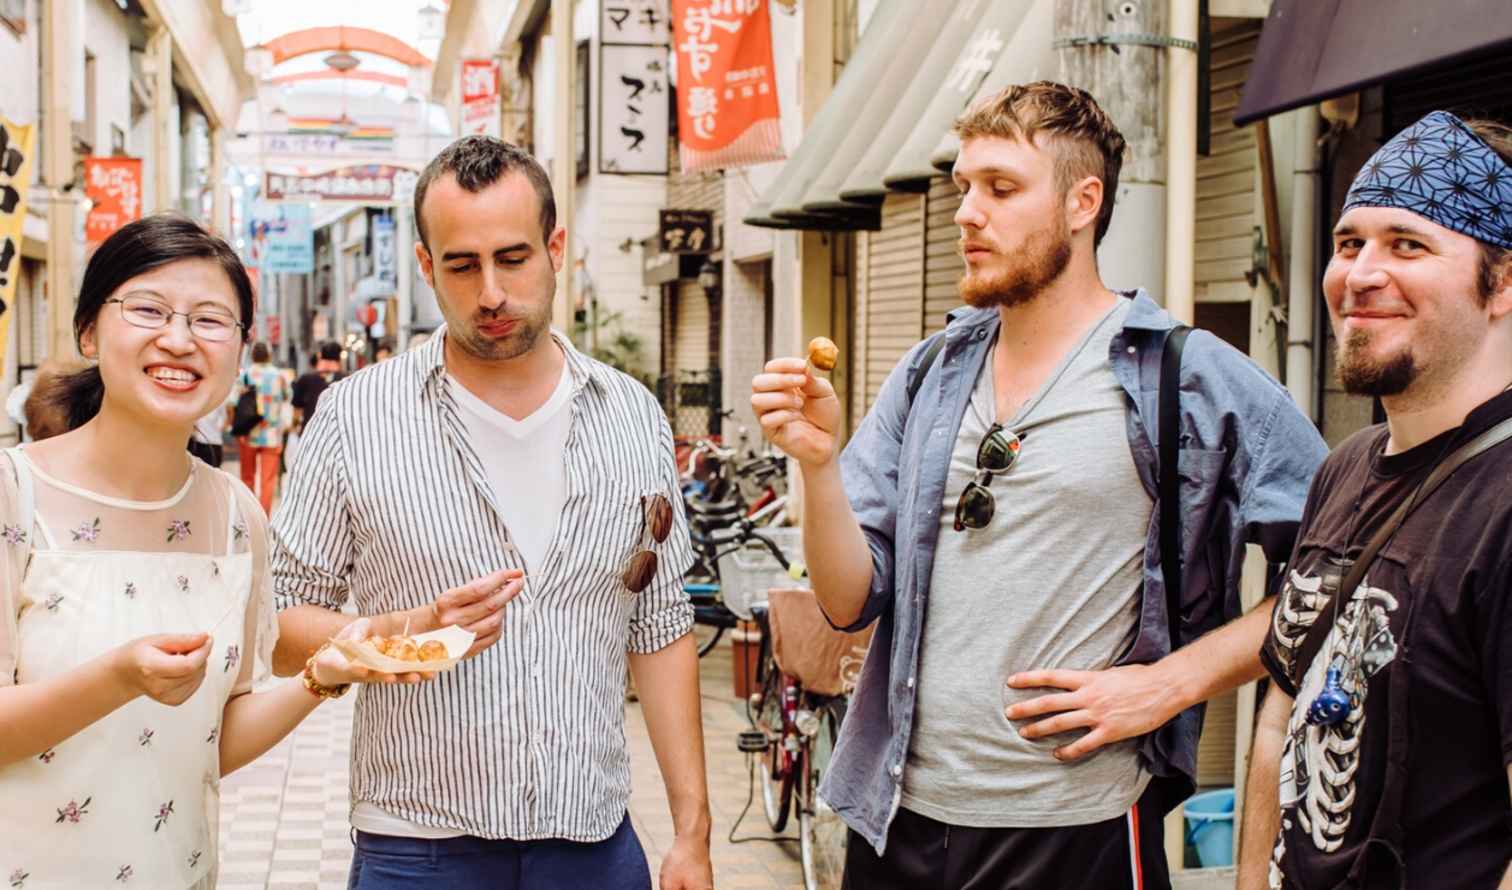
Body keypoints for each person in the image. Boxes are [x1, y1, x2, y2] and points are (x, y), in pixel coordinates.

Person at [751, 81, 1327, 889]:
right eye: (963, 187)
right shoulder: (929, 373)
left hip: (1076, 827)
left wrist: (1169, 684)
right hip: (898, 821)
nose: (966, 213)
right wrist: (816, 465)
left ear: (1082, 201)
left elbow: (1338, 571)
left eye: (1002, 188)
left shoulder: (1186, 376)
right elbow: (848, 602)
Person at [271, 135, 713, 890]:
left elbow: (660, 628)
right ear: (424, 268)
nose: (490, 293)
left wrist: (692, 833)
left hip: (594, 839)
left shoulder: (633, 414)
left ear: (555, 248)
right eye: (461, 265)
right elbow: (282, 631)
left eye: (512, 258)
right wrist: (407, 631)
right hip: (418, 844)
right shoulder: (353, 418)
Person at [0, 214, 411, 889]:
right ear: (88, 330)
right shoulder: (15, 496)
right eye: (148, 310)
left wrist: (325, 675)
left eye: (211, 321)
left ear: (241, 349)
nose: (179, 340)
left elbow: (209, 744)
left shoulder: (235, 517)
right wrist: (120, 678)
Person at [1239, 112, 1512, 890]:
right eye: (1349, 242)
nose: (1359, 273)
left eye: (1408, 244)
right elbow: (1279, 713)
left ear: (1504, 282)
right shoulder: (1346, 468)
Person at [231, 342, 291, 515]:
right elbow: (288, 396)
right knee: (268, 480)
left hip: (249, 432)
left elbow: (232, 402)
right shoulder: (279, 376)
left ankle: (249, 515)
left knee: (247, 476)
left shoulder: (246, 375)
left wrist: (232, 423)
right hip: (272, 434)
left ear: (253, 356)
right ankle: (263, 517)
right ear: (269, 356)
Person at [290, 340, 345, 431]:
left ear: (320, 356)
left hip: (310, 434)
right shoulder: (346, 380)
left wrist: (294, 427)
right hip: (337, 433)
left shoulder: (305, 379)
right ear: (339, 358)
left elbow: (297, 410)